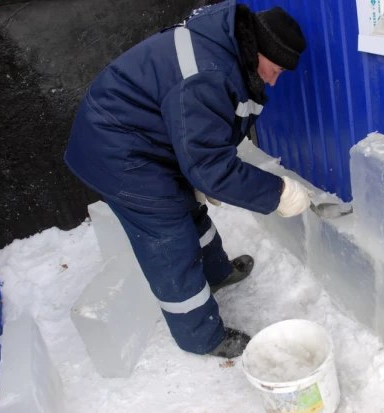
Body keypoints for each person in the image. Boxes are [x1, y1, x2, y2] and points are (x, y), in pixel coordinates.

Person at [64, 0, 312, 359]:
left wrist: (198, 172)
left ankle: (217, 274)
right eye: (275, 69)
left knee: (190, 210)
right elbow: (210, 165)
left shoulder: (226, 50)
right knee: (170, 239)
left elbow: (207, 140)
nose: (275, 80)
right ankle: (201, 338)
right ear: (259, 49)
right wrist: (278, 193)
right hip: (117, 150)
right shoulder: (210, 74)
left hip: (149, 137)